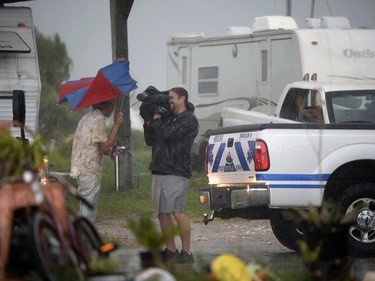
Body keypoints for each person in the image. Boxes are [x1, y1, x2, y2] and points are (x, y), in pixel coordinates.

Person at [143, 87, 199, 264]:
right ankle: (170, 250)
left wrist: (158, 121)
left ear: (182, 98)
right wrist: (148, 122)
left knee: (177, 212)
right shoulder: (167, 117)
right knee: (162, 213)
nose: (169, 101)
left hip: (177, 171)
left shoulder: (188, 120)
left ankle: (187, 253)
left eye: (172, 98)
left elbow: (168, 134)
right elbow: (150, 140)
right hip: (159, 169)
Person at [71, 100, 124, 223]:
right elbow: (105, 146)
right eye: (113, 105)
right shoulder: (98, 120)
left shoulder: (87, 118)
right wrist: (117, 124)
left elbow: (93, 145)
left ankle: (82, 237)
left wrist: (109, 152)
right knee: (88, 209)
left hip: (81, 167)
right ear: (109, 106)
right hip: (89, 169)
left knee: (86, 206)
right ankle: (80, 237)